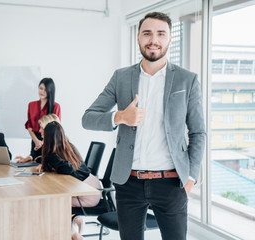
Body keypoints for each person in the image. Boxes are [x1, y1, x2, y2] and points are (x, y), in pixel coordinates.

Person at [82, 12, 206, 240]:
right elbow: (88, 118)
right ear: (138, 37)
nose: (154, 40)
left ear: (170, 39)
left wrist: (190, 178)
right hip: (128, 183)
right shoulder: (121, 77)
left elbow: (198, 132)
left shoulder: (187, 80)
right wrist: (119, 117)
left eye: (161, 34)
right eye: (147, 33)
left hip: (171, 183)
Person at [36, 120, 101, 240]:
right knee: (55, 198)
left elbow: (68, 169)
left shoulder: (53, 154)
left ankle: (73, 234)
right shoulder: (69, 146)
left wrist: (50, 159)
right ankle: (75, 221)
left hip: (87, 195)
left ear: (48, 138)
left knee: (55, 201)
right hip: (95, 187)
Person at [17, 78, 61, 163]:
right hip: (35, 138)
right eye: (41, 88)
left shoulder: (56, 106)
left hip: (50, 140)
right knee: (34, 161)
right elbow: (29, 125)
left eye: (46, 89)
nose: (42, 92)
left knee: (47, 162)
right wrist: (36, 141)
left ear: (50, 91)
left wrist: (43, 142)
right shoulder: (31, 105)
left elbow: (56, 128)